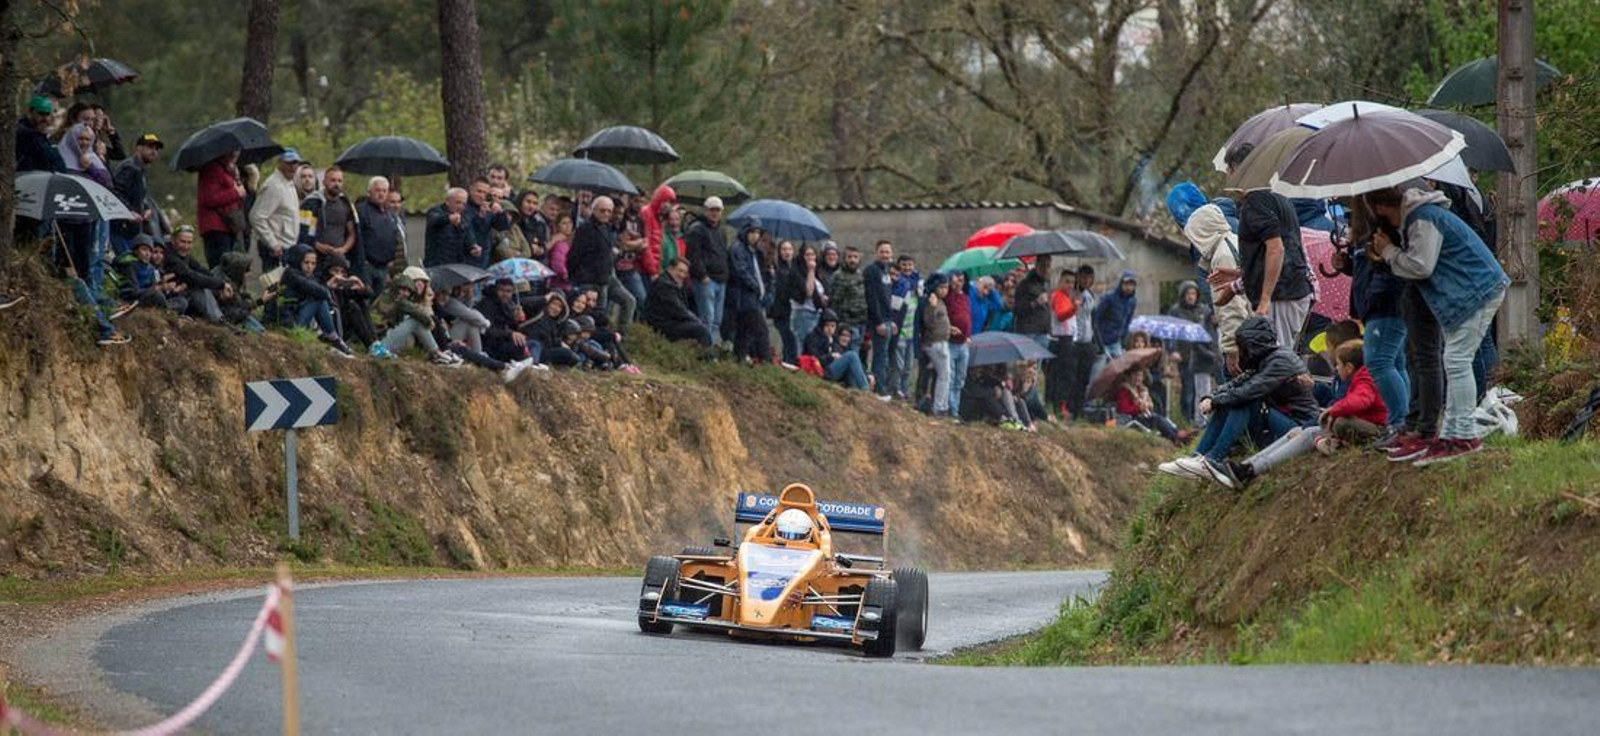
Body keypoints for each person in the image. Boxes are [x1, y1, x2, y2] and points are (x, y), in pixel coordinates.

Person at [1367, 184, 1509, 465]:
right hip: (1470, 291)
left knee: (1456, 361)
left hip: (1478, 289)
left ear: (1382, 207)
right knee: (1454, 360)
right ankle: (1454, 434)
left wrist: (1388, 251)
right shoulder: (1422, 216)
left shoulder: (1423, 217)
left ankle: (1463, 436)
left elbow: (1421, 266)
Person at [1159, 316, 1319, 489]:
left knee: (1244, 401)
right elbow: (1237, 383)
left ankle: (1213, 459)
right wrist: (1212, 397)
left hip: (1296, 430)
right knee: (1232, 400)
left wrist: (1216, 402)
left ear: (1255, 343)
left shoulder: (1281, 360)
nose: (1242, 352)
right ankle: (1198, 458)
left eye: (1243, 346)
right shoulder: (1267, 359)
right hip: (1276, 422)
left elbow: (1250, 389)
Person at [1220, 186, 1314, 350]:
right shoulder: (1279, 197)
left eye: (1229, 170)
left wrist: (1265, 299)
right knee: (1281, 357)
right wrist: (1242, 274)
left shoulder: (1256, 202)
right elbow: (1268, 253)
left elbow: (1276, 249)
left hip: (1280, 295)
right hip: (1291, 290)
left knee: (1277, 360)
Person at [1185, 204, 1251, 377]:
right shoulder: (1233, 242)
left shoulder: (1222, 256)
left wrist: (1231, 349)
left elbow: (1232, 307)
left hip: (1243, 340)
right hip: (1251, 333)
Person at [1314, 340, 1388, 453]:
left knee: (1341, 423)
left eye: (1338, 364)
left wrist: (1335, 409)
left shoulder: (1364, 381)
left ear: (1349, 367)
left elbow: (1361, 400)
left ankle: (1376, 441)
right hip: (1376, 423)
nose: (1336, 369)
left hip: (1381, 428)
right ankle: (1332, 441)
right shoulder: (1363, 377)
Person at [380, 267, 461, 365]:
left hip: (387, 338)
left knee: (420, 320)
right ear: (396, 288)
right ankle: (437, 354)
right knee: (417, 320)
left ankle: (438, 354)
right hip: (381, 342)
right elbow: (416, 312)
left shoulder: (393, 298)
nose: (405, 293)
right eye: (403, 289)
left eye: (408, 290)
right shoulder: (397, 300)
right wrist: (429, 321)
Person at [1167, 281, 1216, 424]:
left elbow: (1210, 330)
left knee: (1200, 389)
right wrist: (1172, 350)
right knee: (1188, 389)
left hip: (1200, 355)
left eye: (1193, 293)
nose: (1191, 297)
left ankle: (1199, 419)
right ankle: (1186, 419)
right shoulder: (1176, 311)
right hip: (1184, 355)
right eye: (1188, 293)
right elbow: (1171, 332)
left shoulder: (1203, 310)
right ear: (1183, 295)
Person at [249, 149, 305, 272]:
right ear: (280, 163)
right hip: (276, 249)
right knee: (275, 287)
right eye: (289, 163)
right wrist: (272, 243)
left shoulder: (289, 184)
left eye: (296, 163)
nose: (293, 167)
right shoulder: (274, 186)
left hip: (288, 247)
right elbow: (256, 217)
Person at [686, 197, 731, 344]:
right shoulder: (697, 229)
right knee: (707, 319)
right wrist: (702, 275)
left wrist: (725, 275)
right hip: (705, 280)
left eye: (717, 210)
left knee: (717, 321)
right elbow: (693, 255)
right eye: (712, 209)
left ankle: (711, 349)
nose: (714, 213)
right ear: (706, 210)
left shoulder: (721, 231)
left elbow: (723, 253)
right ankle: (706, 350)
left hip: (720, 280)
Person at [162, 225, 229, 323]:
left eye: (189, 243)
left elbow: (201, 270)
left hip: (182, 292)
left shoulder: (184, 255)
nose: (186, 246)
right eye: (182, 242)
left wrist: (221, 284)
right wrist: (220, 284)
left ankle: (222, 318)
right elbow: (190, 276)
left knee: (210, 284)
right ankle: (219, 321)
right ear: (173, 240)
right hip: (171, 296)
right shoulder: (170, 256)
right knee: (200, 287)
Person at [727, 219, 771, 363]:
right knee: (761, 330)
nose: (755, 235)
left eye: (758, 232)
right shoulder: (738, 248)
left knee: (744, 333)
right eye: (752, 231)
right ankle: (767, 362)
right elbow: (741, 272)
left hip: (753, 297)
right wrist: (756, 287)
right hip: (743, 297)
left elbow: (760, 273)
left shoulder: (755, 252)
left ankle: (739, 360)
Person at [644, 257, 713, 348]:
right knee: (702, 330)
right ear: (670, 269)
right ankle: (705, 358)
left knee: (700, 327)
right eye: (680, 271)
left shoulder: (674, 284)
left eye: (685, 272)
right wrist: (695, 320)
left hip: (670, 321)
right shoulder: (664, 285)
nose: (682, 275)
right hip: (662, 324)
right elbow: (677, 309)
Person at [570, 194, 621, 317]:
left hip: (603, 279)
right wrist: (577, 277)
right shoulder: (585, 229)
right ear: (594, 210)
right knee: (586, 315)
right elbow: (575, 255)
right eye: (602, 210)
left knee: (600, 315)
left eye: (609, 211)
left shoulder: (608, 228)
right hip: (587, 279)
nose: (606, 214)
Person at [110, 133, 162, 254]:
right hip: (120, 227)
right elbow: (115, 191)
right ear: (138, 148)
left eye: (156, 149)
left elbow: (138, 196)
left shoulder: (139, 168)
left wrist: (146, 208)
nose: (154, 152)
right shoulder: (130, 167)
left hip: (131, 229)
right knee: (126, 262)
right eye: (150, 147)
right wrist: (128, 211)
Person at [300, 166, 359, 269]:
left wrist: (343, 249)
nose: (336, 184)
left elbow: (352, 233)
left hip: (339, 260)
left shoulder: (346, 204)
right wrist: (318, 245)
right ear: (324, 182)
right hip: (315, 258)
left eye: (339, 181)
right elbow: (303, 231)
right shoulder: (312, 203)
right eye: (333, 180)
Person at [1114, 360, 1184, 445]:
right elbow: (1123, 409)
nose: (1138, 378)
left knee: (1159, 418)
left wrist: (1148, 405)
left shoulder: (1142, 390)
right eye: (1135, 375)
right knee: (1156, 419)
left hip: (1144, 416)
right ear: (1129, 376)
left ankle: (1178, 433)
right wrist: (1139, 408)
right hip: (1133, 419)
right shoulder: (1124, 390)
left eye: (1140, 376)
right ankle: (1175, 437)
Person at [1062, 266, 1099, 420]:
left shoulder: (1089, 295)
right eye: (1083, 278)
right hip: (1075, 340)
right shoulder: (1073, 293)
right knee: (1072, 377)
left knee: (1084, 378)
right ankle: (1070, 407)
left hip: (1087, 340)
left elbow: (1092, 318)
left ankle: (1079, 408)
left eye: (1089, 278)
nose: (1086, 281)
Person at [196, 150, 245, 267]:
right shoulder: (212, 169)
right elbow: (209, 199)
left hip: (228, 226)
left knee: (233, 268)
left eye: (237, 150)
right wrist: (236, 193)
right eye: (232, 150)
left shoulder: (228, 170)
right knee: (222, 268)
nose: (235, 153)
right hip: (216, 227)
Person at [357, 177, 402, 297]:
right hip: (366, 266)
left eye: (384, 190)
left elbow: (394, 237)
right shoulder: (361, 210)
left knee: (379, 305)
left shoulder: (390, 213)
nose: (381, 194)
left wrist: (392, 260)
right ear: (369, 192)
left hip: (384, 267)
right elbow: (357, 237)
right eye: (377, 190)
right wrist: (362, 261)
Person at [803, 310, 869, 390]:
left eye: (832, 326)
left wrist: (868, 374)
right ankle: (865, 390)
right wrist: (830, 356)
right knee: (851, 355)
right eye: (827, 325)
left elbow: (852, 360)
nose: (830, 329)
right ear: (821, 325)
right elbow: (814, 358)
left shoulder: (834, 338)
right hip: (821, 371)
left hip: (833, 369)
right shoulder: (814, 337)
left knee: (851, 362)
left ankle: (857, 393)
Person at [863, 240, 897, 392]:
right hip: (878, 322)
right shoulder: (871, 271)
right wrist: (878, 322)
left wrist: (891, 320)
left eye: (887, 252)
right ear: (876, 253)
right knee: (879, 357)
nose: (885, 255)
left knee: (886, 358)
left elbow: (887, 298)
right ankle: (879, 388)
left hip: (887, 320)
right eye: (882, 252)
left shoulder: (886, 272)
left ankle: (884, 387)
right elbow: (872, 298)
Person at [322, 254, 377, 348]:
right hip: (331, 326)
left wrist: (362, 287)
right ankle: (371, 344)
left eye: (342, 272)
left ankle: (374, 343)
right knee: (352, 307)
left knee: (360, 304)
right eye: (335, 271)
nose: (339, 275)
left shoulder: (345, 288)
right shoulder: (322, 282)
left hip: (345, 326)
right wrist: (329, 288)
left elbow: (369, 295)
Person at [475, 277, 534, 363]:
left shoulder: (508, 305)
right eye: (502, 290)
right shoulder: (487, 304)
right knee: (518, 346)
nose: (505, 294)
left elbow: (514, 329)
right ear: (496, 290)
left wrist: (518, 320)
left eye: (508, 291)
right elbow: (487, 331)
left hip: (502, 341)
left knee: (531, 342)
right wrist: (509, 334)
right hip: (489, 345)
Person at [1091, 271, 1138, 377]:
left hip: (1116, 341)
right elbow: (1096, 318)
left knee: (1119, 371)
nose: (1128, 287)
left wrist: (1123, 340)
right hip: (1102, 340)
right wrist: (1098, 340)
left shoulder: (1132, 301)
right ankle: (1092, 392)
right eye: (1126, 284)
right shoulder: (1109, 298)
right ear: (1121, 284)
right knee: (1099, 371)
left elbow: (1127, 321)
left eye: (1131, 284)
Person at [1044, 269, 1078, 419]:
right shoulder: (1059, 296)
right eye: (1067, 281)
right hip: (1061, 340)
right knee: (1062, 375)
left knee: (1063, 375)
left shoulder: (1066, 297)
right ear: (1060, 281)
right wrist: (1074, 308)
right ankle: (1058, 406)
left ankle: (1058, 405)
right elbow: (1061, 315)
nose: (1070, 285)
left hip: (1067, 339)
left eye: (1072, 282)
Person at [920, 272, 954, 417]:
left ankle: (942, 405)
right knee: (944, 375)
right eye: (941, 287)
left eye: (946, 287)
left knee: (946, 375)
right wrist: (932, 307)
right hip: (935, 342)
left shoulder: (942, 302)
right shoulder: (931, 301)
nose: (944, 290)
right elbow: (929, 322)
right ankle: (939, 407)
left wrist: (950, 328)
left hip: (943, 340)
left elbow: (941, 321)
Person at [889, 255, 921, 399]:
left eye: (910, 265)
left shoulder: (917, 286)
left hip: (911, 332)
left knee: (908, 367)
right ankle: (895, 390)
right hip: (900, 331)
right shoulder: (898, 285)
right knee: (899, 366)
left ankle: (904, 391)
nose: (907, 268)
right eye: (904, 265)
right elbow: (895, 308)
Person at [424, 188, 475, 267]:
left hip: (458, 264)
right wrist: (448, 218)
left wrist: (473, 247)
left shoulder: (465, 216)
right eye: (458, 202)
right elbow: (434, 220)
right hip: (437, 264)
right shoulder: (435, 211)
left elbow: (469, 238)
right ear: (448, 201)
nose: (461, 206)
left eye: (464, 204)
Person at [946, 270, 974, 414]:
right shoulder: (948, 296)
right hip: (951, 342)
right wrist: (948, 328)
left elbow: (968, 316)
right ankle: (951, 409)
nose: (959, 283)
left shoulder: (966, 297)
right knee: (950, 377)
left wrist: (968, 335)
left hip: (964, 343)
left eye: (961, 280)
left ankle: (955, 407)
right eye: (956, 280)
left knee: (960, 378)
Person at [16, 95, 64, 173]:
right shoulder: (25, 134)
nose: (45, 119)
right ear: (30, 113)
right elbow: (46, 157)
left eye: (47, 114)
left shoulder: (41, 134)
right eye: (41, 114)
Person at [768, 240, 798, 363]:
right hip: (781, 311)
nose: (787, 252)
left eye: (789, 249)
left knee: (792, 341)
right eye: (784, 249)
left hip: (794, 310)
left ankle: (790, 362)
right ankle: (787, 362)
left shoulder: (796, 269)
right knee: (787, 339)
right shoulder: (776, 268)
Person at [1013, 254, 1053, 345]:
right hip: (1029, 333)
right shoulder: (1024, 284)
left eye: (1048, 266)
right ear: (1036, 265)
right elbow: (1017, 310)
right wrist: (1035, 302)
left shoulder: (1047, 283)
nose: (1046, 269)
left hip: (1043, 332)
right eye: (1043, 266)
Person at [546, 213, 575, 291]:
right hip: (560, 285)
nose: (568, 226)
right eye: (564, 223)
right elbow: (558, 264)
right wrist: (566, 274)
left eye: (570, 222)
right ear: (558, 226)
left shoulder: (570, 242)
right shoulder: (559, 244)